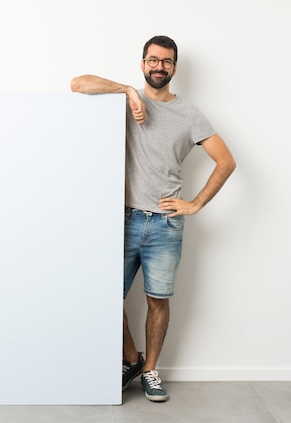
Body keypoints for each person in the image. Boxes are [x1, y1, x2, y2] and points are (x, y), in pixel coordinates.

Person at [71, 35, 236, 402]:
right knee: (103, 296)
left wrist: (194, 204)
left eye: (166, 61)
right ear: (143, 63)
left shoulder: (190, 114)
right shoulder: (124, 100)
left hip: (165, 223)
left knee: (157, 301)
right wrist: (127, 89)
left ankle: (150, 371)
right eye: (153, 60)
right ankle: (132, 358)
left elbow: (226, 162)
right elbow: (77, 84)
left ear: (174, 68)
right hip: (123, 220)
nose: (159, 66)